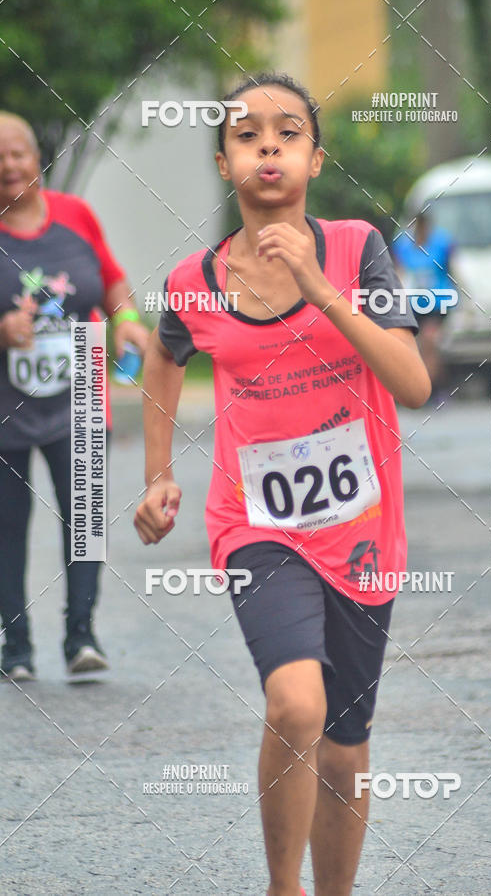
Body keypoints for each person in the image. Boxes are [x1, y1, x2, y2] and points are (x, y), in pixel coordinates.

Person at [134, 73, 431, 896]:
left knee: (343, 742)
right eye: (247, 134)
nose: (268, 145)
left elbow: (410, 384)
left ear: (315, 156)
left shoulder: (355, 247)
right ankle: (282, 888)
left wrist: (321, 289)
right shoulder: (194, 279)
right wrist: (159, 474)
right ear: (226, 164)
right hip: (256, 524)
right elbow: (164, 354)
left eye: (288, 131)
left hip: (363, 528)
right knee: (296, 705)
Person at [0, 111, 148, 681]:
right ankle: (16, 648)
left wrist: (129, 321)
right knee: (8, 525)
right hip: (6, 407)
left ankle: (81, 637)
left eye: (19, 152)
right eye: (0, 156)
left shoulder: (76, 216)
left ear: (37, 158)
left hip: (82, 390)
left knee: (84, 519)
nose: (10, 164)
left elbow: (111, 280)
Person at [392, 209, 456, 402]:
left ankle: (433, 389)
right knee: (414, 345)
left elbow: (453, 269)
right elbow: (398, 272)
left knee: (430, 341)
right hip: (413, 302)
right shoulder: (402, 245)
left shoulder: (442, 243)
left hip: (437, 301)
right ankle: (417, 387)